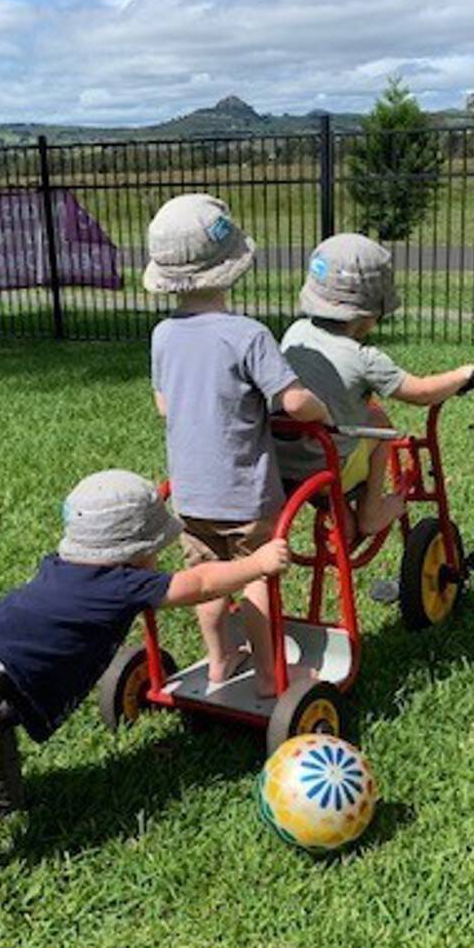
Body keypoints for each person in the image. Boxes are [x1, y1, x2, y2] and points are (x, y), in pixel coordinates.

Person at [0, 469, 290, 928]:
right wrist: (257, 564)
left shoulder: (59, 566)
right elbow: (202, 584)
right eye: (156, 548)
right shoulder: (121, 584)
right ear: (134, 553)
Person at [144, 194, 332, 699]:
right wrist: (324, 410)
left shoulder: (162, 334)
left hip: (189, 492)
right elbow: (293, 402)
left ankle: (220, 660)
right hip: (245, 492)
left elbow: (165, 405)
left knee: (207, 575)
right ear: (232, 269)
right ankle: (272, 677)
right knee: (255, 576)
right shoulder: (247, 335)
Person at [277, 234, 474, 539]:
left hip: (281, 458)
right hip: (330, 465)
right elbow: (422, 392)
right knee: (379, 422)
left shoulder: (295, 333)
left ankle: (340, 514)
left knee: (342, 425)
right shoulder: (364, 359)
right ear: (371, 313)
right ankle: (371, 511)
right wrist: (462, 375)